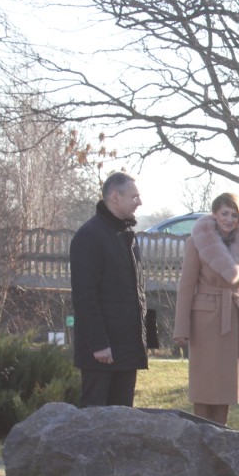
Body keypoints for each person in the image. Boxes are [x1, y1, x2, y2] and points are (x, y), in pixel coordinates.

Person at [173, 192, 239, 425]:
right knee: (204, 386)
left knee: (226, 387)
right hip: (205, 321)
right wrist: (181, 329)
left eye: (234, 215)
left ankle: (221, 436)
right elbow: (186, 287)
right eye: (224, 213)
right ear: (214, 214)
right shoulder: (196, 242)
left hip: (234, 319)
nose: (229, 219)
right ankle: (200, 438)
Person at [70, 172, 150, 407]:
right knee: (94, 421)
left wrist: (145, 341)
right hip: (101, 353)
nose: (140, 202)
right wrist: (98, 344)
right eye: (134, 196)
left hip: (126, 348)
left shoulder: (126, 235)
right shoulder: (90, 236)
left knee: (123, 422)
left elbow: (136, 293)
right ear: (115, 197)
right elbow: (84, 296)